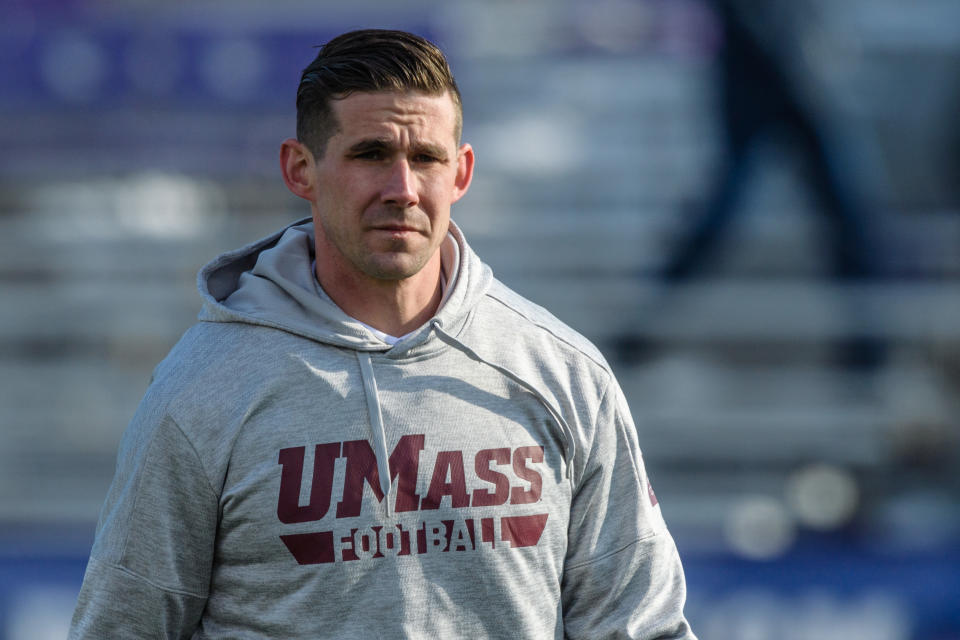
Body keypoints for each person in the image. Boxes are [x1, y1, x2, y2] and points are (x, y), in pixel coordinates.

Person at [69, 29, 695, 639]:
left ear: (461, 172)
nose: (402, 189)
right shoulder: (203, 391)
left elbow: (639, 625)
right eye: (371, 154)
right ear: (299, 169)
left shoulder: (561, 374)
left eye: (426, 158)